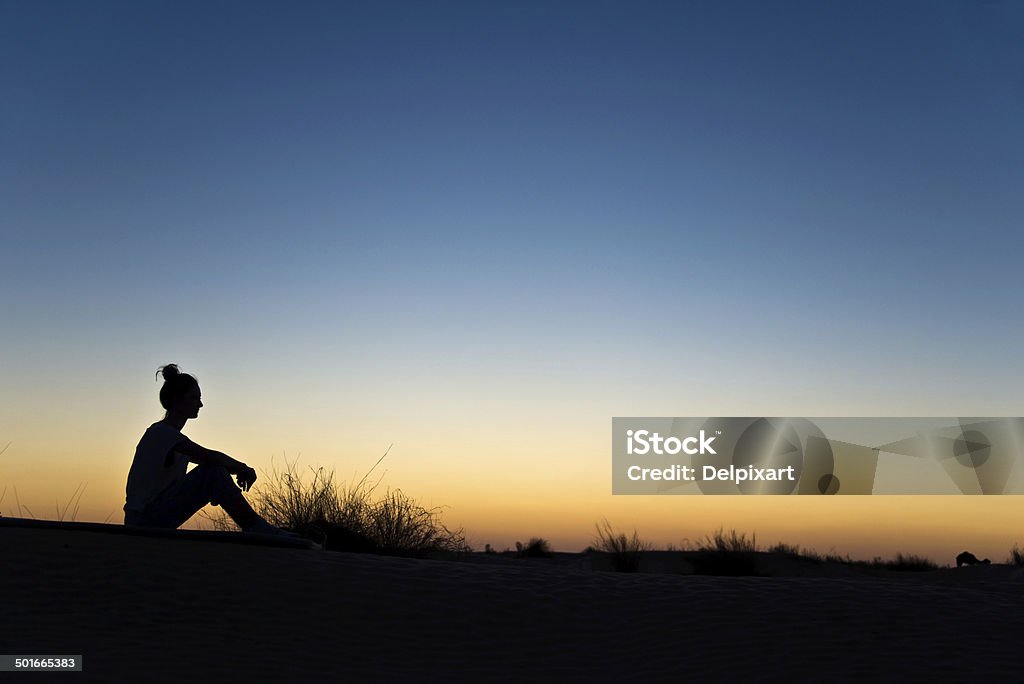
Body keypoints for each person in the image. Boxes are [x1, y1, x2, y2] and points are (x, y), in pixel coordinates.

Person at [123, 363, 294, 536]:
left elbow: (208, 459)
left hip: (154, 517)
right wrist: (242, 468)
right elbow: (208, 456)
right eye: (194, 398)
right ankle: (254, 526)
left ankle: (255, 525)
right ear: (176, 399)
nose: (200, 404)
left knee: (213, 471)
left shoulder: (172, 437)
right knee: (212, 471)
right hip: (144, 520)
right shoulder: (161, 433)